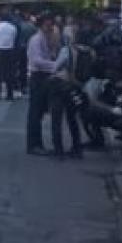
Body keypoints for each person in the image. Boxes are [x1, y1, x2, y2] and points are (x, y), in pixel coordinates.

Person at [26, 15, 60, 156]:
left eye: (51, 26)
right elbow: (37, 61)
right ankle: (34, 145)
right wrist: (55, 66)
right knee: (35, 112)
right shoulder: (36, 40)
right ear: (41, 26)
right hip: (38, 77)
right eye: (47, 26)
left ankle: (37, 144)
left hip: (44, 76)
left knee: (39, 112)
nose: (49, 29)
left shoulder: (46, 39)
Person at [48, 30, 84, 159]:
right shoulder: (84, 50)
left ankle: (58, 150)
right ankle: (77, 147)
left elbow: (55, 67)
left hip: (61, 84)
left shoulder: (66, 50)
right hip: (75, 85)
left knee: (56, 118)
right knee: (72, 118)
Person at [0, 13, 18, 100]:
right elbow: (14, 38)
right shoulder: (13, 28)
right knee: (9, 73)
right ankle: (9, 94)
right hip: (9, 51)